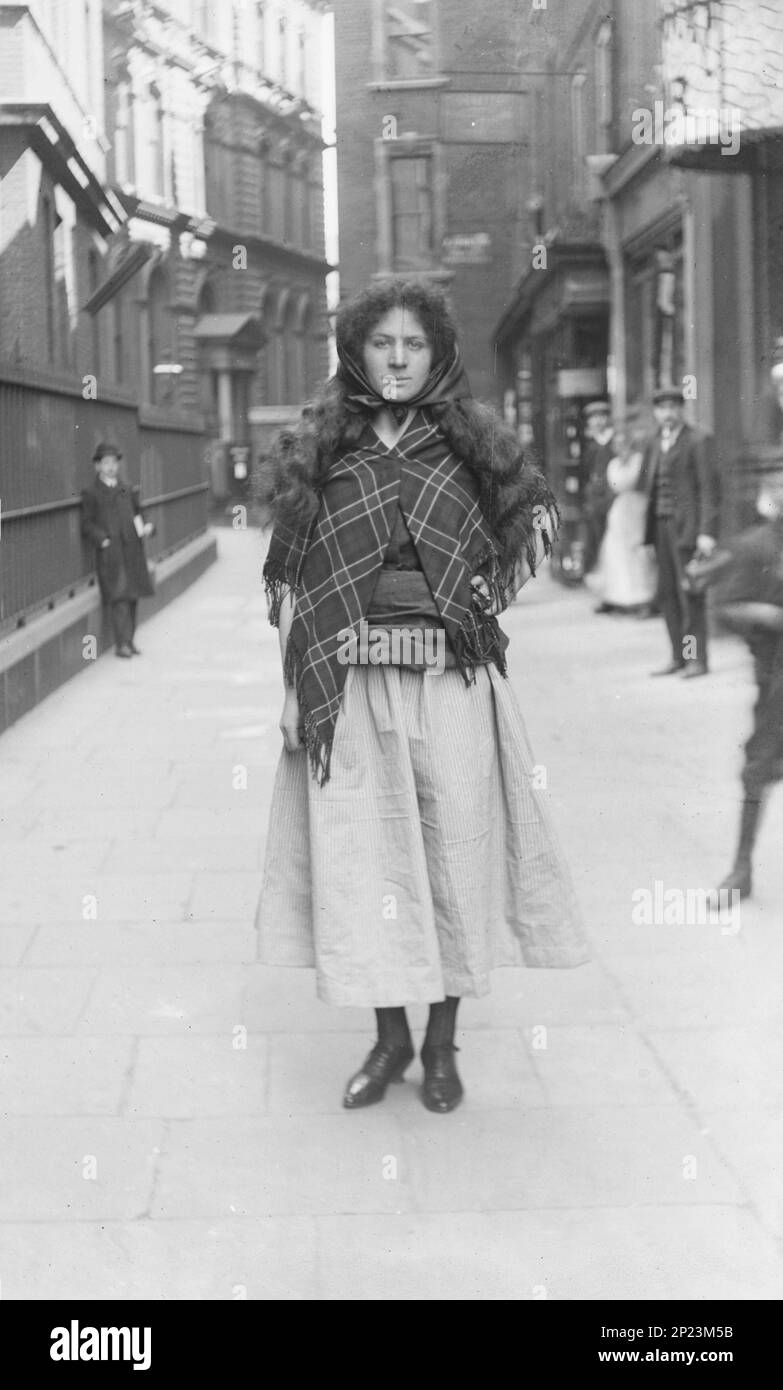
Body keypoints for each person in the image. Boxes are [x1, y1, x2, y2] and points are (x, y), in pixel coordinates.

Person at [254, 279, 589, 1114]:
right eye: (381, 344)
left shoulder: (470, 439)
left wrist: (483, 600)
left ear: (436, 351)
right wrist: (297, 689)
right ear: (355, 351)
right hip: (351, 687)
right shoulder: (320, 446)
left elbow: (533, 518)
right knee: (364, 864)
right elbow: (293, 574)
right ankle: (388, 1040)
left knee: (453, 860)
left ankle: (441, 1046)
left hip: (450, 684)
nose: (397, 359)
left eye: (413, 344)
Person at [712, 462, 783, 898]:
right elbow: (726, 608)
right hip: (777, 684)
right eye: (774, 485)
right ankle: (741, 870)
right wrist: (771, 616)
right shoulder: (754, 547)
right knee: (757, 771)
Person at [641, 386, 720, 678]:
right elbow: (648, 490)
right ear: (655, 412)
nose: (668, 413)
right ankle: (678, 656)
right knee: (667, 594)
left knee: (690, 594)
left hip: (687, 529)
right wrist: (647, 537)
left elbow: (709, 489)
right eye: (662, 408)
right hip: (661, 527)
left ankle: (695, 660)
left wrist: (706, 532)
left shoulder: (698, 440)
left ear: (681, 410)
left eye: (673, 407)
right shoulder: (652, 442)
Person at [80, 442, 155, 658]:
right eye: (106, 463)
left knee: (133, 596)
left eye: (114, 463)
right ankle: (121, 644)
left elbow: (138, 513)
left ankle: (130, 641)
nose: (111, 467)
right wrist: (102, 539)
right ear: (97, 466)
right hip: (111, 553)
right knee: (119, 596)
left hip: (132, 549)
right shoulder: (92, 492)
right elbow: (86, 524)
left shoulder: (126, 487)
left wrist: (146, 528)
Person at [584, 410, 658, 615]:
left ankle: (643, 598)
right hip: (618, 509)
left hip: (636, 507)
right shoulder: (613, 463)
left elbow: (638, 483)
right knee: (614, 551)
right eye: (618, 444)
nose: (620, 447)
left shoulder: (638, 460)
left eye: (624, 443)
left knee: (637, 552)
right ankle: (617, 597)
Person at [581, 399, 615, 593]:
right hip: (595, 499)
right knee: (596, 539)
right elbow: (585, 473)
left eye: (602, 417)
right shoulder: (591, 445)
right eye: (594, 418)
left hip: (612, 497)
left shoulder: (613, 442)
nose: (598, 422)